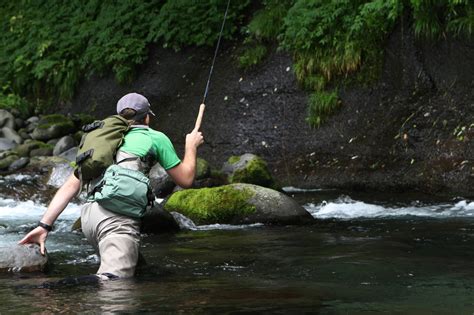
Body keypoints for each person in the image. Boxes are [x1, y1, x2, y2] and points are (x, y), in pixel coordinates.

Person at [19, 92, 204, 279]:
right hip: (116, 219)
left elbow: (70, 186)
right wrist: (191, 146)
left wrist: (44, 226)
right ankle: (54, 292)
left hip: (90, 219)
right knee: (114, 284)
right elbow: (186, 179)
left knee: (140, 274)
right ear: (147, 117)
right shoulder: (155, 138)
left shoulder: (101, 142)